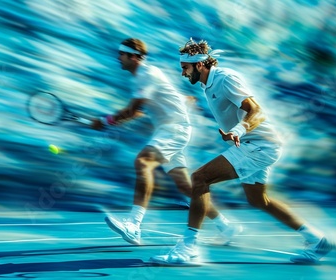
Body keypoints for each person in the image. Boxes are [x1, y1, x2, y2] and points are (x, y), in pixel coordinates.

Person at [150, 38, 334, 265]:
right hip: (255, 145)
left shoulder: (225, 78)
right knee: (258, 199)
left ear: (199, 65)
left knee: (199, 178)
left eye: (185, 68)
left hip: (259, 145)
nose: (182, 74)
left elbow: (256, 110)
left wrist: (238, 129)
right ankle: (316, 240)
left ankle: (188, 248)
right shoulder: (208, 84)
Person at [92, 38, 242, 246]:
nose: (118, 58)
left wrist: (104, 121)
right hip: (171, 129)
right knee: (185, 186)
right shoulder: (143, 77)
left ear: (133, 56)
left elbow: (132, 110)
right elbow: (140, 110)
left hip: (174, 130)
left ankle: (134, 225)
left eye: (122, 54)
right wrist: (115, 120)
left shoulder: (146, 74)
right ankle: (225, 226)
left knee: (142, 162)